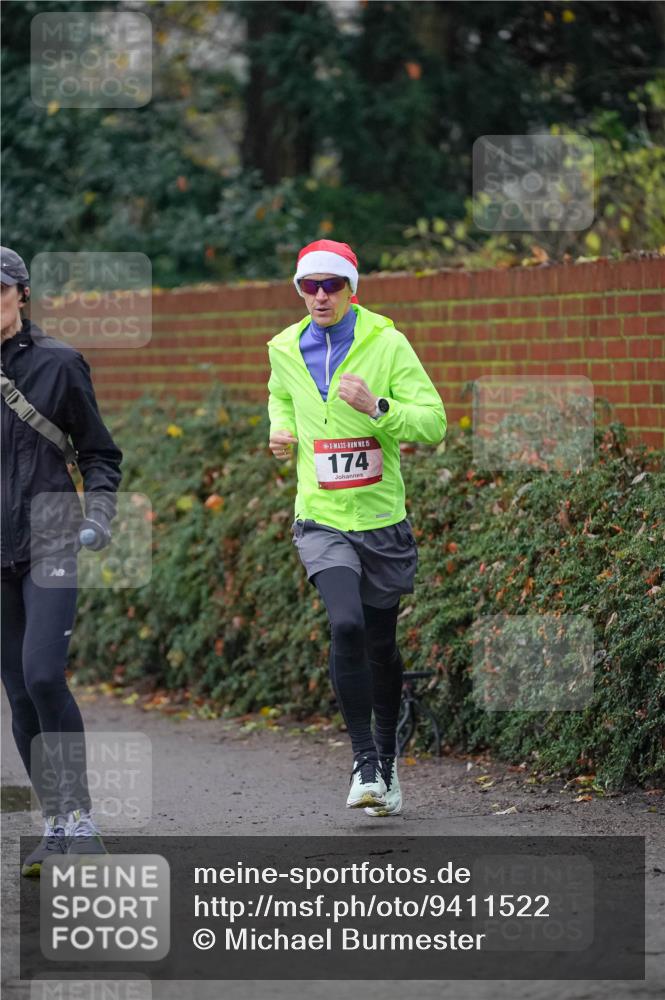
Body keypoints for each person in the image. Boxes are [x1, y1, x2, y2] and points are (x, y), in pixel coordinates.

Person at [267, 239, 446, 816]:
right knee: (344, 625)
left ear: (351, 289)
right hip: (321, 518)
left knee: (380, 645)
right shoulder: (283, 348)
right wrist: (280, 429)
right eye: (308, 286)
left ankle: (388, 760)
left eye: (330, 285)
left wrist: (378, 409)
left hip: (381, 522)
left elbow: (434, 423)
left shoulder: (387, 344)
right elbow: (279, 397)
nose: (318, 295)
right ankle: (364, 760)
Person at [0, 247, 123, 875]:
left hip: (51, 537)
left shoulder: (60, 364)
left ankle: (81, 818)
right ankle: (54, 824)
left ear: (21, 295)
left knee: (44, 675)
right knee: (20, 696)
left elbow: (100, 453)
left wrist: (98, 514)